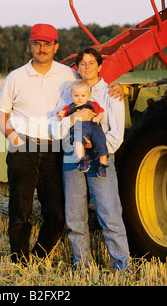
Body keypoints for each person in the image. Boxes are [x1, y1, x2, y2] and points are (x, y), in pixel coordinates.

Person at [0, 24, 124, 264]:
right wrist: (15, 139)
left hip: (56, 150)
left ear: (56, 47)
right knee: (19, 211)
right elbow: (0, 113)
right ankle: (20, 262)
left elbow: (92, 86)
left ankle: (39, 256)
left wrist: (117, 87)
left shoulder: (68, 74)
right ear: (30, 45)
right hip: (24, 149)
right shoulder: (16, 76)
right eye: (36, 43)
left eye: (46, 44)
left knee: (56, 213)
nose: (41, 48)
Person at [50, 47, 130, 270]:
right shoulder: (69, 93)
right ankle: (82, 266)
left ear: (100, 66)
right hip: (72, 158)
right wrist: (73, 117)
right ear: (77, 67)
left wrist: (96, 149)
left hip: (99, 159)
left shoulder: (111, 92)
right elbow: (55, 129)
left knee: (110, 214)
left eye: (91, 63)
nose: (87, 67)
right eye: (82, 64)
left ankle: (122, 266)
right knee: (75, 217)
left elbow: (116, 135)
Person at [57, 79, 109, 177]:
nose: (80, 98)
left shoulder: (93, 105)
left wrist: (98, 117)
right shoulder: (69, 108)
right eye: (76, 96)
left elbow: (101, 113)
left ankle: (102, 164)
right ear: (71, 95)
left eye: (83, 95)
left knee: (101, 141)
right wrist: (60, 115)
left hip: (94, 127)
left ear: (89, 96)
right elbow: (60, 117)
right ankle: (82, 159)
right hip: (79, 129)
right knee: (77, 141)